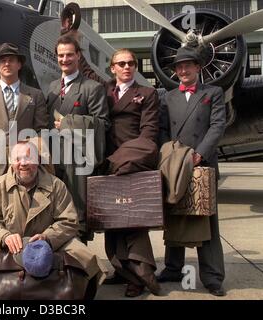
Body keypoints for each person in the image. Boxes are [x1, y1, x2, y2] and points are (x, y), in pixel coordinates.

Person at [0, 141, 106, 297]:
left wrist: (47, 237)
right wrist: (4, 237)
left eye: (28, 158)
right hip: (10, 242)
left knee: (86, 258)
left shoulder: (56, 185)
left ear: (38, 160)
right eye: (18, 159)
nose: (23, 164)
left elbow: (69, 221)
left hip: (50, 242)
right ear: (11, 162)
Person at [81, 47, 161, 297]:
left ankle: (140, 277)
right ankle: (120, 269)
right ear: (112, 68)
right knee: (112, 222)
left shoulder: (147, 94)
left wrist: (119, 162)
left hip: (131, 165)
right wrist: (71, 34)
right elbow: (84, 70)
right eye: (122, 63)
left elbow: (148, 135)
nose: (127, 67)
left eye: (131, 63)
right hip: (107, 164)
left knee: (133, 222)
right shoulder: (103, 89)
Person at [158, 46, 227, 296]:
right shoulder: (167, 97)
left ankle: (212, 277)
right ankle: (173, 268)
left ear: (198, 67)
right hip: (175, 165)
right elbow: (163, 130)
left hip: (203, 165)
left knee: (206, 220)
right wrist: (170, 156)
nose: (183, 70)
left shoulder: (213, 93)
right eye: (179, 66)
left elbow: (218, 125)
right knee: (174, 215)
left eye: (188, 65)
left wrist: (200, 154)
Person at [46, 35, 109, 241]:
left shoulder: (93, 88)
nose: (65, 59)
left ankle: (80, 265)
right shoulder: (52, 88)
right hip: (54, 161)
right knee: (54, 212)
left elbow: (102, 124)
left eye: (70, 55)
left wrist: (69, 123)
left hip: (79, 162)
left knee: (77, 215)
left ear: (78, 56)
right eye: (61, 55)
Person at [0, 43, 48, 192]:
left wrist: (36, 160)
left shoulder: (35, 95)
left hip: (24, 165)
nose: (7, 63)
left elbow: (41, 131)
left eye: (11, 60)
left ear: (19, 64)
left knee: (24, 206)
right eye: (3, 60)